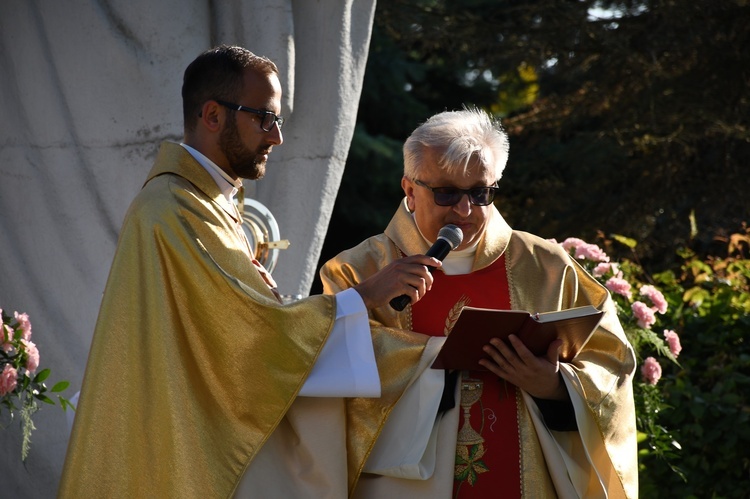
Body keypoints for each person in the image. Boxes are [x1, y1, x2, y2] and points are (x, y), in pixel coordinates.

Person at [58, 45, 440, 498]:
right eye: (264, 118)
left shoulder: (209, 204)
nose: (276, 137)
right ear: (213, 115)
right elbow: (249, 339)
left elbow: (242, 327)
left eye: (277, 120)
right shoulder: (173, 210)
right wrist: (366, 295)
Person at [321, 107, 639, 498]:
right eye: (447, 193)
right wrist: (436, 357)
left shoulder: (548, 267)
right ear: (409, 190)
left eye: (480, 193)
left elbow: (613, 365)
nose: (465, 210)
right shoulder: (358, 273)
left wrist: (556, 387)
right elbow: (327, 374)